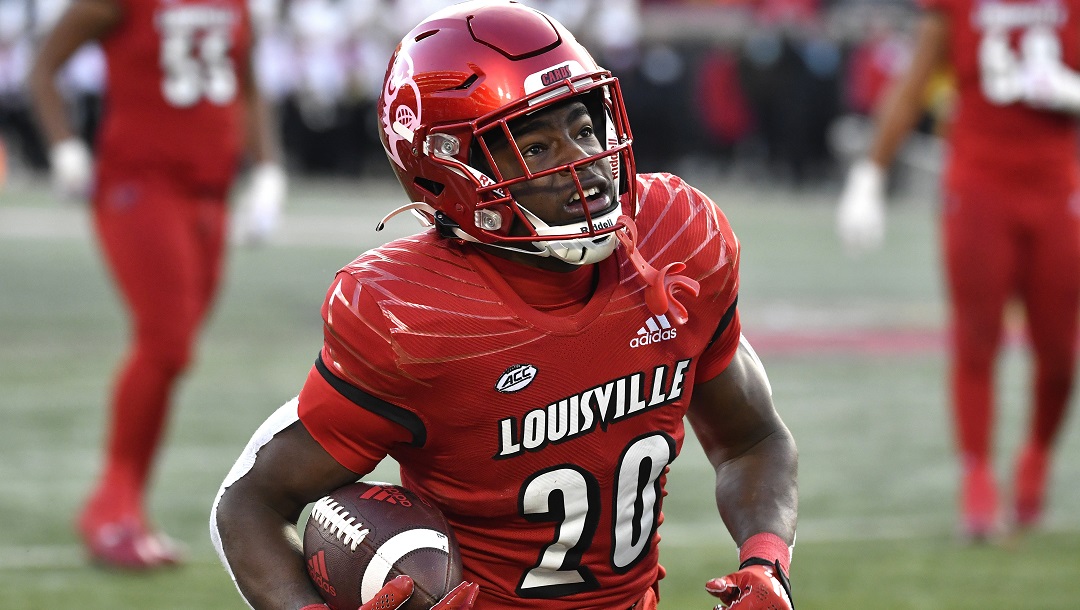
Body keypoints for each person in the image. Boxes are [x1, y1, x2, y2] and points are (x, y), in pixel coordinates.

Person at [211, 2, 798, 609]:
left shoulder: (676, 239)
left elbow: (752, 440)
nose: (583, 163)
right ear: (450, 172)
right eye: (536, 146)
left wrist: (766, 560)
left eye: (583, 127)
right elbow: (250, 504)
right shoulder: (413, 315)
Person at [28, 0, 286, 569]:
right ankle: (112, 505)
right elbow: (43, 65)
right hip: (141, 184)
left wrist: (267, 169)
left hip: (210, 192)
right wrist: (65, 146)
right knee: (165, 342)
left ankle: (124, 507)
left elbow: (245, 83)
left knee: (172, 354)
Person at [836, 0, 1080, 540]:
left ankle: (1036, 456)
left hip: (1057, 184)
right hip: (978, 184)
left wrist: (1069, 89)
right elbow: (916, 78)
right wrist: (870, 172)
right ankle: (978, 479)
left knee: (1061, 351)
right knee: (976, 338)